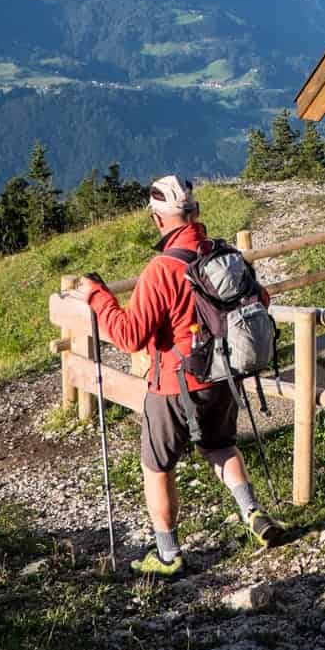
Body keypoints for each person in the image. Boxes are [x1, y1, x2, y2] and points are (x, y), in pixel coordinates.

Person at [81, 174, 284, 575]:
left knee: (156, 465)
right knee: (220, 446)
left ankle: (168, 555)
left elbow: (129, 335)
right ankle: (253, 513)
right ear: (196, 214)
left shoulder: (162, 270)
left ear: (159, 220)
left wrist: (98, 297)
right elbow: (261, 299)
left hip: (173, 385)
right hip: (222, 376)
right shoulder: (224, 254)